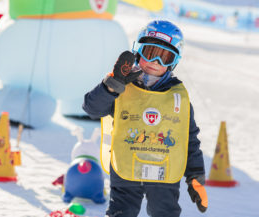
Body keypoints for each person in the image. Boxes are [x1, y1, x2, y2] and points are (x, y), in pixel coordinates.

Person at [83, 20, 208, 217]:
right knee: (121, 213)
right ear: (138, 51)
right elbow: (91, 108)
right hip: (126, 168)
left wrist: (195, 175)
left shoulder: (177, 97)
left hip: (164, 172)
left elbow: (189, 139)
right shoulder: (120, 86)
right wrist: (111, 86)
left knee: (165, 213)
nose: (155, 62)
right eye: (150, 53)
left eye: (165, 57)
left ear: (174, 62)